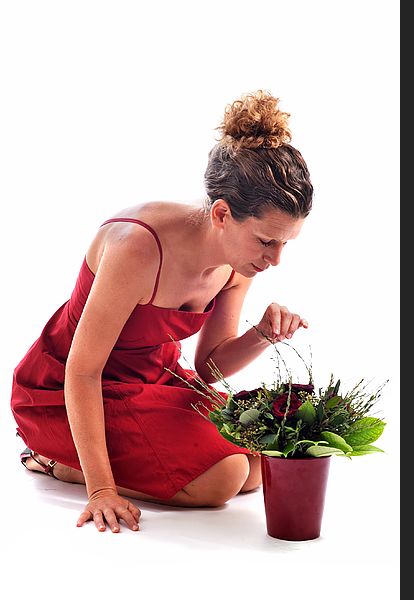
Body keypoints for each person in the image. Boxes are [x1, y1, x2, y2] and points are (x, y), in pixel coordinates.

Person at [11, 90, 314, 534]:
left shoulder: (240, 262)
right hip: (68, 386)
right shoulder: (137, 247)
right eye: (267, 241)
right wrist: (100, 490)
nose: (275, 259)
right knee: (225, 478)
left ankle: (118, 454)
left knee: (255, 464)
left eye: (286, 242)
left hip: (155, 377)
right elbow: (82, 370)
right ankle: (53, 460)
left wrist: (262, 335)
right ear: (222, 214)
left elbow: (208, 368)